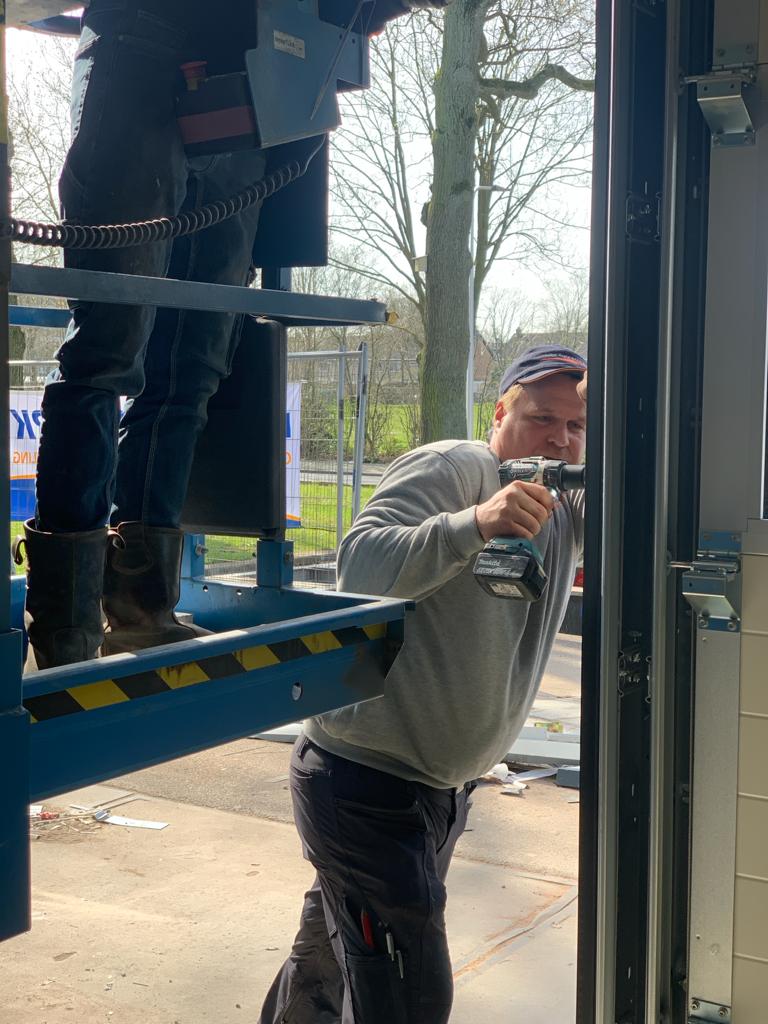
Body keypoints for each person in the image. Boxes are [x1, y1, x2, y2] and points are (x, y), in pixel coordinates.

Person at [17, 0, 449, 670]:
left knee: (192, 367)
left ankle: (142, 609)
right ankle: (66, 626)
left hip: (252, 82)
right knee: (107, 351)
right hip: (143, 45)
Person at [258, 343, 588, 1024]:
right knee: (411, 994)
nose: (559, 438)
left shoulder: (567, 505)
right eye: (541, 418)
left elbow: (653, 491)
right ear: (499, 413)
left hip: (438, 789)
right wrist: (477, 523)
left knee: (327, 961)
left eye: (576, 425)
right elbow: (359, 566)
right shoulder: (455, 467)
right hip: (364, 782)